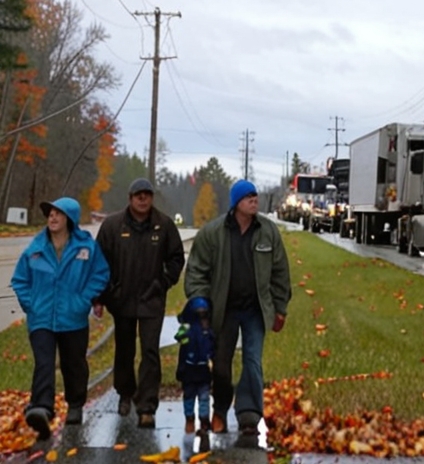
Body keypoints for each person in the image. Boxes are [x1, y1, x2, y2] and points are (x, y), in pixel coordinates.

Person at [184, 179, 292, 435]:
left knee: (252, 361)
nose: (254, 200)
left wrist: (280, 308)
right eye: (248, 197)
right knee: (221, 364)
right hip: (224, 310)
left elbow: (280, 272)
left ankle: (248, 414)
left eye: (255, 196)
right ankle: (220, 410)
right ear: (236, 204)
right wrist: (200, 303)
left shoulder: (268, 231)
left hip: (256, 309)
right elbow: (196, 271)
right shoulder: (214, 233)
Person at [11, 197, 109, 440]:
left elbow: (100, 274)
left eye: (58, 214)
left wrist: (84, 299)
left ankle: (75, 404)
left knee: (73, 363)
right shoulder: (35, 248)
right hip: (41, 318)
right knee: (44, 362)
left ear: (70, 219)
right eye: (50, 214)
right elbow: (20, 280)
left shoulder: (86, 248)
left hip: (73, 317)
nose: (52, 218)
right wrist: (30, 304)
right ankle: (42, 409)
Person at [95, 177, 186, 428]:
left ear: (152, 198)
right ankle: (126, 394)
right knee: (124, 350)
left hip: (151, 300)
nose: (143, 199)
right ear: (130, 198)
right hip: (121, 299)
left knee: (150, 351)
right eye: (138, 195)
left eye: (147, 195)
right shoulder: (113, 226)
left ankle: (147, 405)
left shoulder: (164, 225)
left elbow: (176, 258)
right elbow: (98, 263)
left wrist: (164, 282)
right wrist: (102, 296)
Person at [174, 296, 214, 435]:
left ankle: (203, 420)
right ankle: (190, 418)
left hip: (202, 368)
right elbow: (182, 349)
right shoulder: (188, 331)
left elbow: (213, 349)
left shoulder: (208, 333)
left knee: (203, 396)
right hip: (190, 368)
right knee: (190, 396)